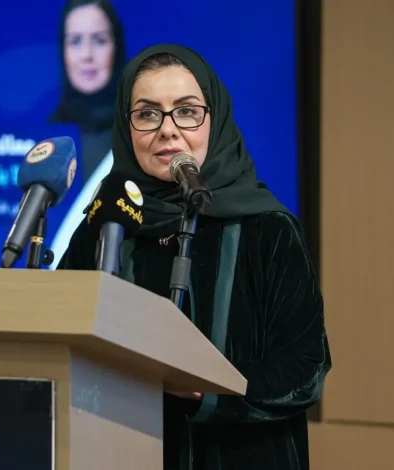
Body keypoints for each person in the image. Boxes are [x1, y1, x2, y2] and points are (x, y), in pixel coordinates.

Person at [57, 44, 332, 470]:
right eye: (147, 113)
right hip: (118, 450)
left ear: (214, 119)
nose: (167, 130)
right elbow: (62, 341)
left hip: (244, 456)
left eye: (186, 111)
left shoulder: (267, 229)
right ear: (126, 128)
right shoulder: (104, 226)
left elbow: (305, 368)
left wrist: (207, 388)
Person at [48, 0, 125, 182]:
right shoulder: (49, 140)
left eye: (99, 40)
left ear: (117, 47)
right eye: (75, 41)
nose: (86, 55)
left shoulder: (143, 132)